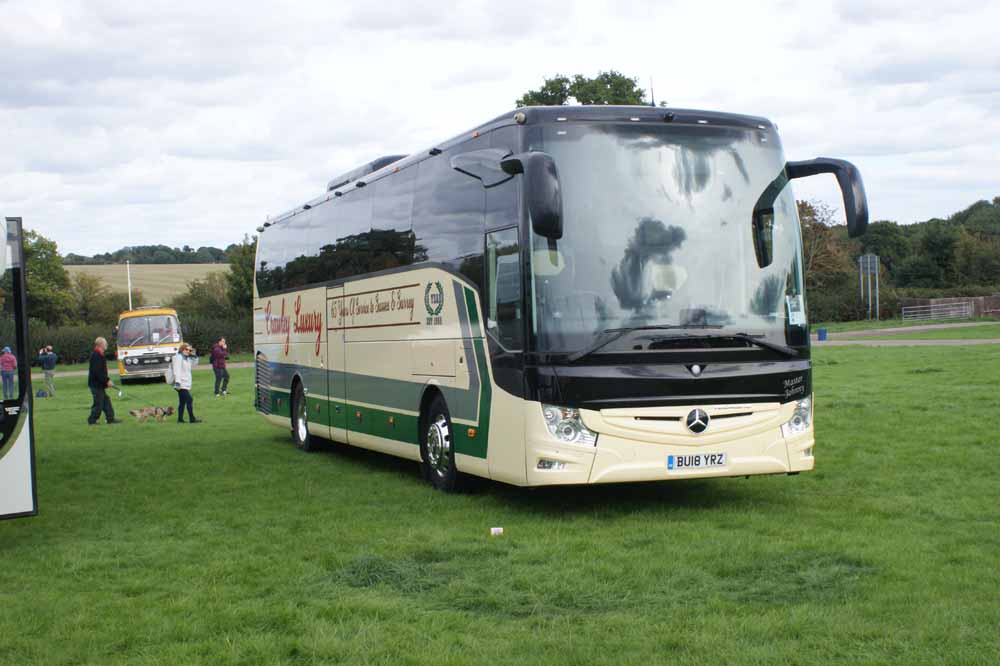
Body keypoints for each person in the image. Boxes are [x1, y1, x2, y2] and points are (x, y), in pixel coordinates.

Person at [87, 337, 120, 425]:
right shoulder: (96, 355)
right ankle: (92, 420)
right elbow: (98, 372)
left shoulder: (100, 354)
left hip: (99, 384)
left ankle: (110, 418)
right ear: (101, 344)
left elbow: (101, 371)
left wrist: (106, 381)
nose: (107, 345)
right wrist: (107, 381)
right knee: (99, 403)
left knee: (106, 401)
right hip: (95, 385)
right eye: (105, 343)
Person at [171, 342, 201, 423]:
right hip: (180, 384)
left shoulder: (187, 358)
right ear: (182, 349)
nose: (188, 351)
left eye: (189, 350)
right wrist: (177, 383)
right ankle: (192, 418)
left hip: (186, 383)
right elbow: (176, 370)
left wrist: (194, 355)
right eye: (186, 349)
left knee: (182, 402)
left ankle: (180, 419)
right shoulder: (179, 357)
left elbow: (195, 364)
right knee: (189, 399)